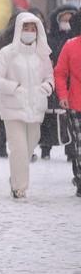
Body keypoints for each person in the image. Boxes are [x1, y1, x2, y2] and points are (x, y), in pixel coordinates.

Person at [0, 12, 53, 199]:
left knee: (28, 146)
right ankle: (20, 187)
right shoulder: (7, 53)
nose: (29, 32)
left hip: (35, 108)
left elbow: (50, 77)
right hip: (13, 109)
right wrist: (14, 88)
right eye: (25, 28)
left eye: (32, 28)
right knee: (18, 148)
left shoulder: (42, 54)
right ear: (18, 29)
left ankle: (16, 176)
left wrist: (46, 87)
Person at [41, 4, 79, 160]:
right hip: (56, 83)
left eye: (69, 20)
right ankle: (46, 147)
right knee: (49, 117)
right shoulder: (52, 39)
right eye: (63, 20)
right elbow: (56, 67)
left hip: (72, 86)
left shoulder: (73, 40)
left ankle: (72, 152)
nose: (66, 23)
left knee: (71, 125)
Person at [54, 11, 81, 197]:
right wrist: (62, 94)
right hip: (76, 103)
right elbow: (60, 72)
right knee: (79, 144)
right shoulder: (71, 46)